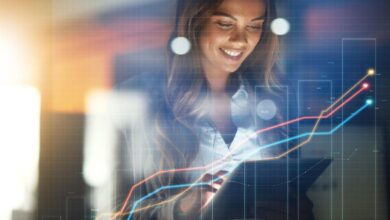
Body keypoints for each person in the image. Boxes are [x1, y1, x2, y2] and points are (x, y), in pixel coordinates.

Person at [115, 0, 314, 219]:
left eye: (254, 26)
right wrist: (180, 209)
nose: (241, 40)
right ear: (194, 21)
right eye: (225, 23)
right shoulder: (140, 104)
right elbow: (113, 211)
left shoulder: (276, 106)